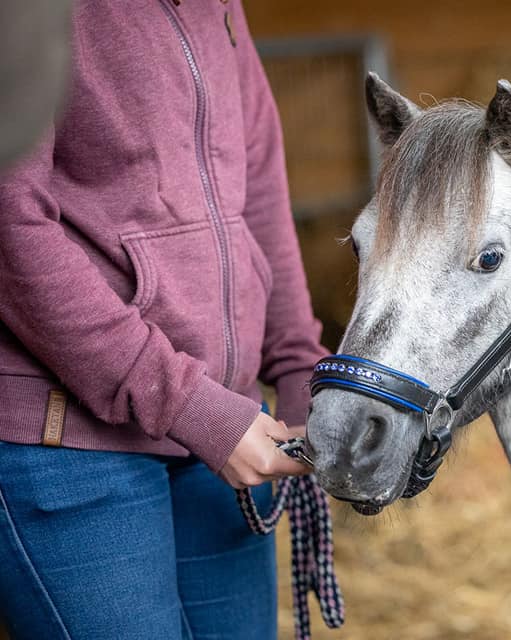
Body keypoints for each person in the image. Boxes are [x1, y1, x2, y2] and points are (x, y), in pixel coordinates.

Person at [0, 2, 328, 638]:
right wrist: (189, 405)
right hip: (70, 441)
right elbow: (11, 228)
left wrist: (300, 370)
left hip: (227, 425)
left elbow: (257, 189)